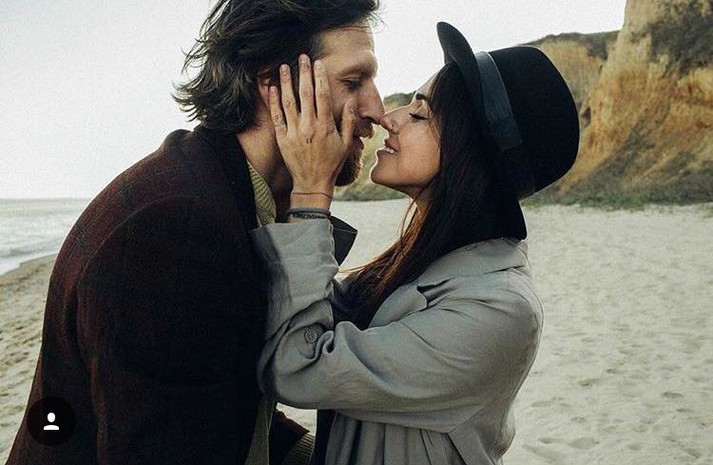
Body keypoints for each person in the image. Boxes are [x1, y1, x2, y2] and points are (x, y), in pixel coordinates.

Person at [6, 1, 383, 464]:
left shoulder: (222, 191)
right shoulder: (176, 231)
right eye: (354, 82)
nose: (377, 109)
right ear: (274, 85)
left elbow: (210, 395)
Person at [250, 22, 579, 464]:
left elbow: (298, 365)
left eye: (420, 114)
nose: (389, 117)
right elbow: (308, 312)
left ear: (468, 154)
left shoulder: (499, 310)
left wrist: (310, 192)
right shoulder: (432, 261)